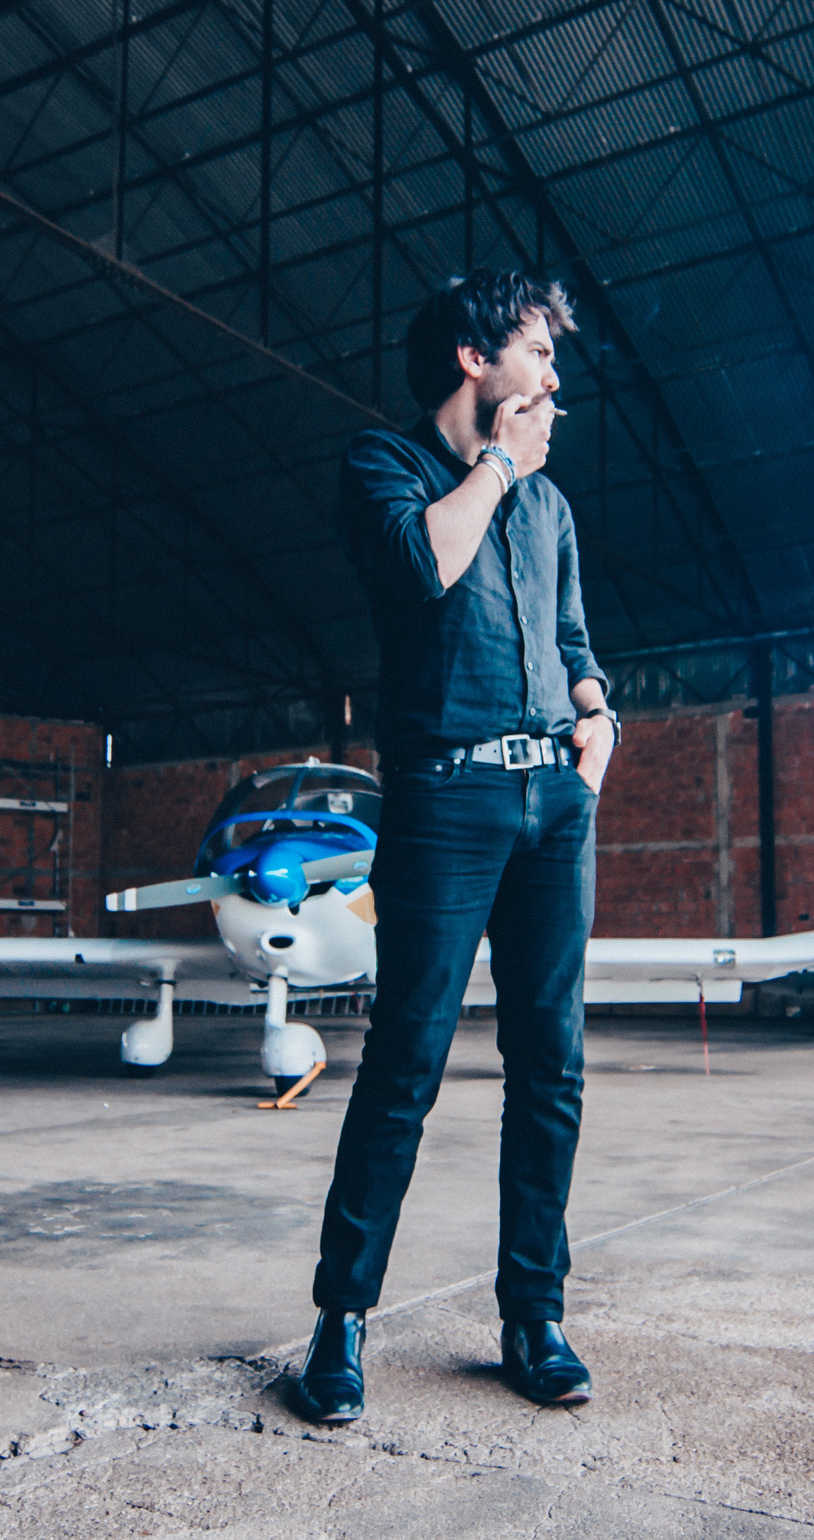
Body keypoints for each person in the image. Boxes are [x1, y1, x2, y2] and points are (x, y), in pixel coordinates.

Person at [290, 269, 619, 1424]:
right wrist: (496, 465)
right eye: (537, 351)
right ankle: (340, 1322)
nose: (552, 376)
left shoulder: (550, 510)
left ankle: (534, 1316)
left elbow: (574, 635)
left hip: (552, 810)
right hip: (443, 803)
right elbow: (424, 566)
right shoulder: (385, 466)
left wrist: (597, 713)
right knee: (406, 1067)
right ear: (477, 359)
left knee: (552, 1067)